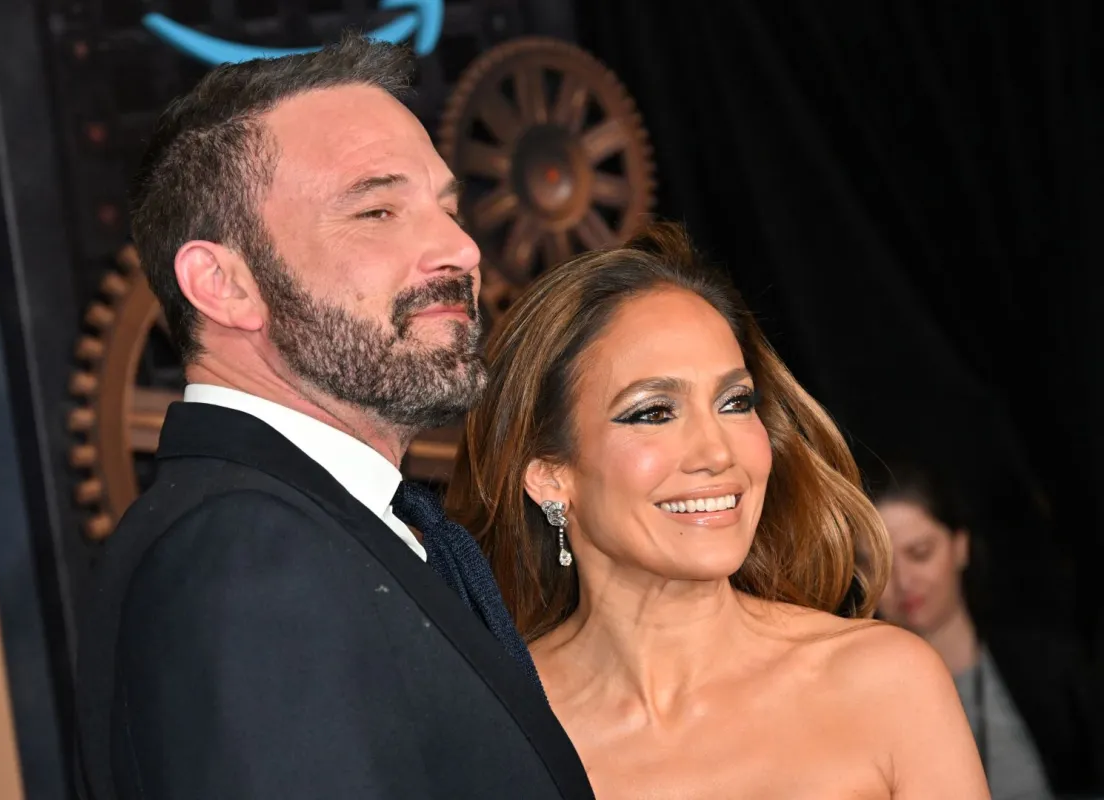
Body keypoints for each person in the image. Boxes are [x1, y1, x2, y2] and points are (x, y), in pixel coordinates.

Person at [72, 35, 593, 799]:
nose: (459, 248)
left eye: (449, 209)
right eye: (377, 210)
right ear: (222, 285)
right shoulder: (246, 561)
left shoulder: (326, 526)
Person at [446, 221, 990, 798]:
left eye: (735, 402)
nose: (716, 451)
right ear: (551, 475)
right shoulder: (497, 726)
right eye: (654, 412)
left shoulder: (886, 682)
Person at [871, 463, 1104, 799]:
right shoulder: (868, 702)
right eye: (880, 565)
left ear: (960, 547)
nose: (904, 581)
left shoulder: (1050, 665)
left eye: (920, 554)